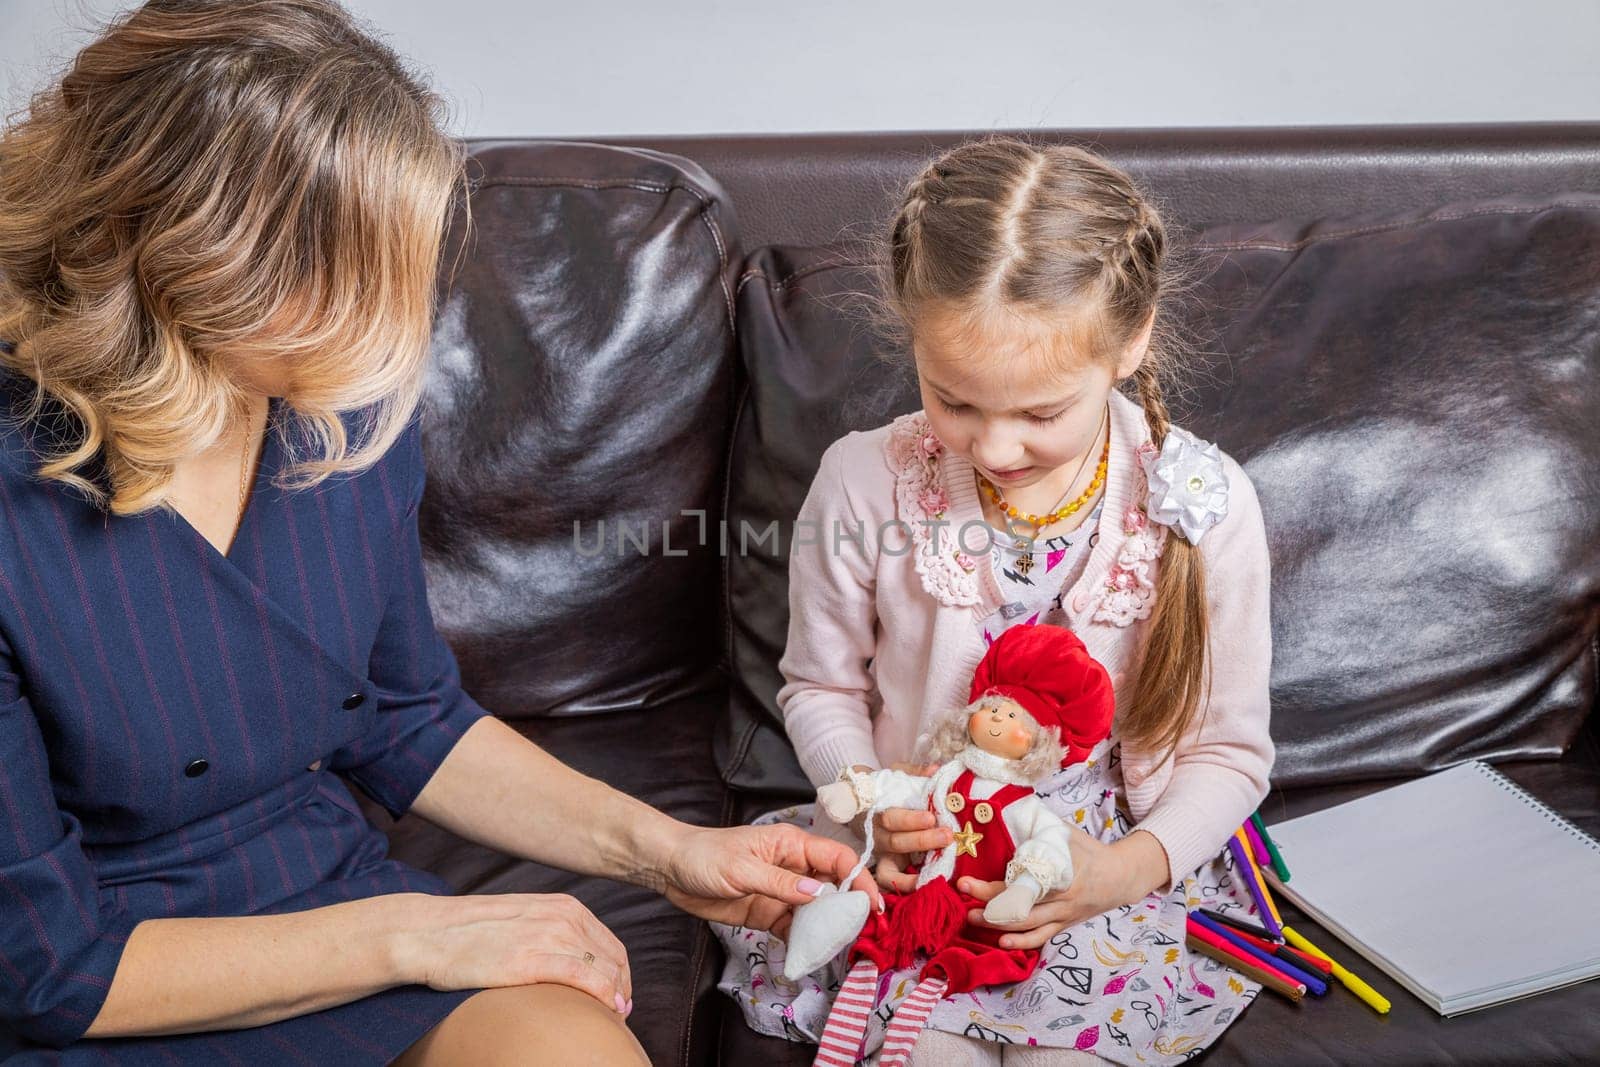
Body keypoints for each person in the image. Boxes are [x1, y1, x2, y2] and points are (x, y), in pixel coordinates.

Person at [0, 2, 876, 1063]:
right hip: (117, 976)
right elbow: (45, 966)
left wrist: (670, 851)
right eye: (349, 267)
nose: (398, 311)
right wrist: (423, 931)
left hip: (324, 900)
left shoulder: (336, 416)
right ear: (192, 253)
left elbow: (405, 716)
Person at [712, 136, 1275, 1065]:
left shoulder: (1205, 504)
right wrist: (867, 818)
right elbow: (819, 689)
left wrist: (1122, 872)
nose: (996, 447)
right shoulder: (863, 483)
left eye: (1041, 413)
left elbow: (1229, 749)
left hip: (1104, 866)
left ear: (1129, 344)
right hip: (923, 852)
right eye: (955, 400)